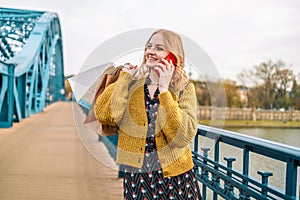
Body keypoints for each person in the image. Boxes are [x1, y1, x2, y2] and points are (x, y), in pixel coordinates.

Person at [94, 29, 201, 200]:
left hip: (176, 179)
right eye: (149, 46)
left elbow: (182, 137)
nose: (151, 51)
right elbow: (106, 115)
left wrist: (165, 90)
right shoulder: (132, 84)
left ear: (173, 55)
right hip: (138, 177)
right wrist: (124, 80)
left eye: (159, 48)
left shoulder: (185, 88)